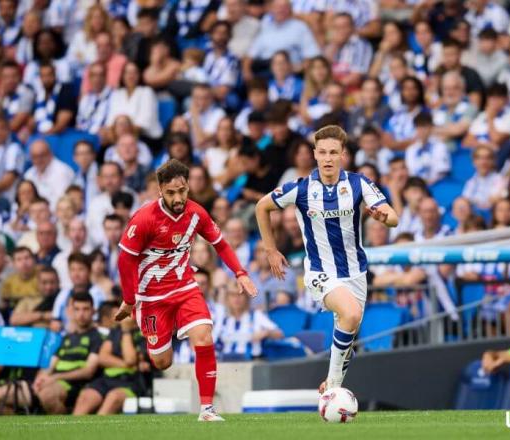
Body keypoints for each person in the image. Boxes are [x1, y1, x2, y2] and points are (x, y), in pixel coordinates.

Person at [255, 125, 398, 393]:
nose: (328, 158)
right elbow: (262, 206)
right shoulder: (300, 189)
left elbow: (393, 217)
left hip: (355, 273)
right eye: (323, 152)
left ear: (343, 154)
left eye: (334, 152)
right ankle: (333, 387)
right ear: (315, 155)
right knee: (351, 313)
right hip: (320, 272)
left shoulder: (359, 183)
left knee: (348, 334)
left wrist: (382, 216)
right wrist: (270, 250)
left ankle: (329, 390)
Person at [115, 159, 258, 421]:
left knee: (204, 336)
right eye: (171, 192)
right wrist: (129, 300)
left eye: (182, 190)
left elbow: (221, 244)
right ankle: (159, 332)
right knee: (162, 362)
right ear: (160, 190)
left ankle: (206, 409)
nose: (178, 197)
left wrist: (240, 272)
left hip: (185, 287)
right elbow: (124, 260)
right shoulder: (145, 219)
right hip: (152, 298)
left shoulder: (196, 213)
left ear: (188, 186)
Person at [33, 292, 102, 414]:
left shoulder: (97, 337)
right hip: (53, 381)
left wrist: (54, 377)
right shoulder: (67, 338)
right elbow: (51, 365)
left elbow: (88, 372)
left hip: (73, 384)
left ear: (93, 312)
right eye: (77, 309)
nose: (81, 314)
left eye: (85, 309)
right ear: (71, 312)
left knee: (47, 396)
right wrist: (41, 378)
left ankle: (66, 429)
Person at [72, 316, 148, 415]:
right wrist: (127, 365)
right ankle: (72, 429)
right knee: (86, 396)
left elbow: (130, 359)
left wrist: (126, 331)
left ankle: (96, 429)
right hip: (106, 380)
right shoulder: (115, 331)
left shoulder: (145, 332)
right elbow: (102, 357)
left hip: (130, 382)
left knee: (113, 397)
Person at [217, 282, 284, 359]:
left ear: (246, 297)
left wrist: (266, 333)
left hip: (251, 362)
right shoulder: (222, 319)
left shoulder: (256, 315)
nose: (236, 298)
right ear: (227, 298)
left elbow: (279, 333)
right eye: (232, 295)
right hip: (226, 362)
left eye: (240, 294)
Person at [405, 112, 450, 185]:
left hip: (436, 185)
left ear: (431, 127)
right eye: (418, 127)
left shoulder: (440, 146)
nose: (421, 130)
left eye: (424, 126)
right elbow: (411, 173)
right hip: (416, 186)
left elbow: (441, 172)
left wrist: (427, 184)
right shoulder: (411, 150)